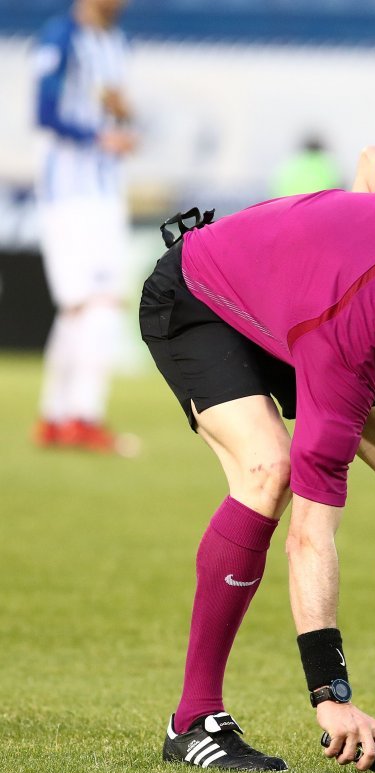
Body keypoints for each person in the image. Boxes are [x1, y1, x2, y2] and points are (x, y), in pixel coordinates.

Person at [140, 146, 375, 773]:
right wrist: (332, 696)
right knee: (269, 470)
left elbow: (374, 160)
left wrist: (347, 240)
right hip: (204, 297)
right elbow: (310, 537)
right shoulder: (345, 340)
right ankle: (192, 720)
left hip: (312, 311)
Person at [32, 0, 137, 454]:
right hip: (72, 191)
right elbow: (45, 112)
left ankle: (56, 417)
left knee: (78, 307)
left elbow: (110, 108)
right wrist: (99, 136)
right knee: (102, 301)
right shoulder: (62, 39)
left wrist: (122, 116)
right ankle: (83, 416)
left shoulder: (117, 43)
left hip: (104, 188)